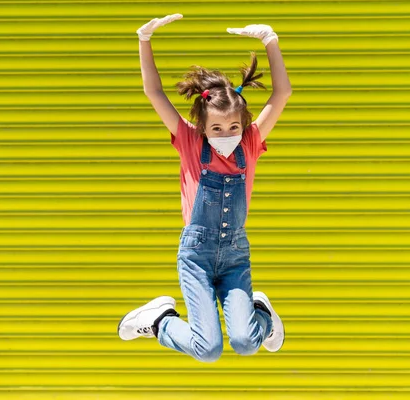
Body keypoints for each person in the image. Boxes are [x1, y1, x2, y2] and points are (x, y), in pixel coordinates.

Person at [118, 13, 292, 363]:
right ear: (202, 127)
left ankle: (262, 314)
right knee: (208, 349)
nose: (226, 135)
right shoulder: (188, 142)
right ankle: (159, 321)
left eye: (232, 126)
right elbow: (153, 92)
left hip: (234, 256)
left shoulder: (251, 143)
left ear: (243, 124)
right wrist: (144, 39)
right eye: (216, 128)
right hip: (196, 257)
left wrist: (270, 40)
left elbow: (282, 92)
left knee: (245, 342)